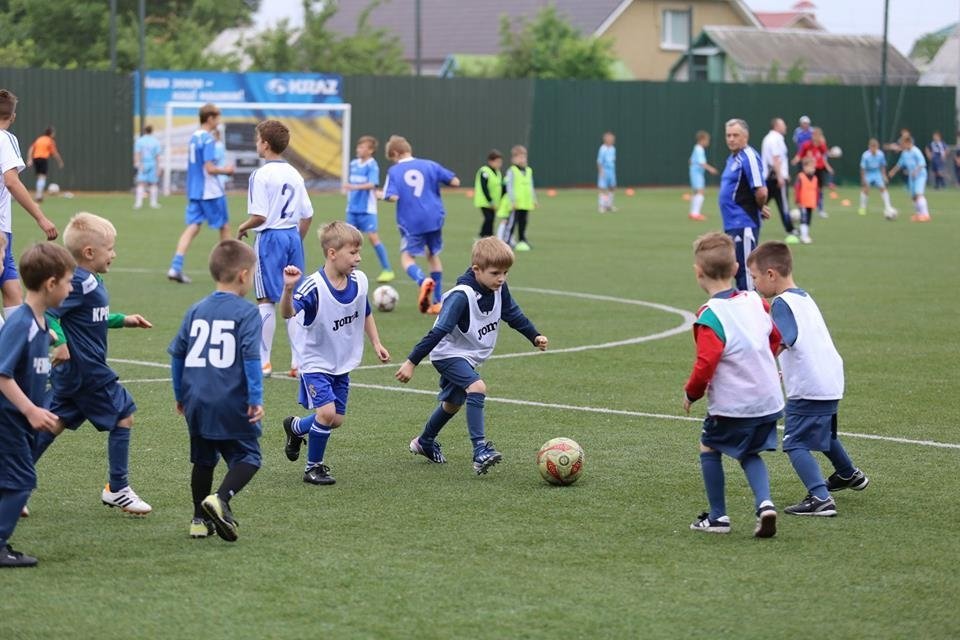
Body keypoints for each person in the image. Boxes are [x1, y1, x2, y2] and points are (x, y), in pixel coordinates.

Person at [33, 212, 153, 515]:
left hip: (75, 375)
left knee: (52, 424)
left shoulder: (90, 280)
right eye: (109, 249)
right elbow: (48, 314)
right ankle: (118, 488)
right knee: (123, 414)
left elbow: (91, 317)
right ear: (89, 253)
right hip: (88, 372)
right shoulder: (79, 283)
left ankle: (11, 480)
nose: (114, 254)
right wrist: (59, 343)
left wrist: (123, 320)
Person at [396, 237, 548, 475]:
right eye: (495, 272)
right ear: (476, 270)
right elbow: (438, 332)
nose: (501, 278)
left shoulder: (497, 288)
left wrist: (534, 335)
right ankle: (480, 450)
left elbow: (513, 314)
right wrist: (411, 362)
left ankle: (424, 441)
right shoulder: (461, 296)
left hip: (468, 355)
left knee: (453, 404)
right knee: (476, 387)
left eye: (506, 273)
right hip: (447, 354)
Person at [747, 241, 869, 517]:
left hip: (810, 386)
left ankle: (820, 497)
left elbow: (780, 341)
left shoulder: (780, 304)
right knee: (824, 433)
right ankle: (848, 474)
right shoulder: (803, 297)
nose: (753, 285)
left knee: (795, 443)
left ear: (770, 274)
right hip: (830, 378)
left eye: (754, 278)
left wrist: (759, 369)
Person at [682, 232, 782, 538]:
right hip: (769, 400)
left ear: (698, 273)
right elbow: (775, 338)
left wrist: (691, 393)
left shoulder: (710, 316)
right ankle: (765, 504)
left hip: (733, 404)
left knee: (709, 445)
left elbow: (706, 363)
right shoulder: (756, 301)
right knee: (750, 452)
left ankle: (717, 517)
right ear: (737, 266)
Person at [279, 221, 390, 486]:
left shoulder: (360, 281)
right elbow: (286, 313)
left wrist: (376, 342)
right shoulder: (312, 287)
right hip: (315, 361)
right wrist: (288, 289)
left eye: (359, 252)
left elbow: (364, 312)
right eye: (352, 253)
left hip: (342, 360)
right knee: (326, 414)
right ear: (332, 253)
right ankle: (312, 468)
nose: (359, 258)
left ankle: (295, 428)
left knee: (335, 420)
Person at [169, 239, 264, 542]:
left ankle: (198, 520)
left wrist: (179, 395)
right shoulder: (248, 313)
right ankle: (220, 499)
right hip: (230, 399)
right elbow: (251, 358)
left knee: (203, 459)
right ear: (243, 275)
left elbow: (177, 355)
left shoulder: (195, 309)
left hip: (195, 398)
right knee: (249, 457)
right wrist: (255, 398)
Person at [0, 242, 74, 567]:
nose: (72, 287)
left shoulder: (42, 324)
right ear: (51, 284)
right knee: (20, 483)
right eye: (69, 281)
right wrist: (30, 409)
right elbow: (2, 375)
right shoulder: (23, 323)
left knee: (9, 481)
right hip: (10, 419)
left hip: (19, 420)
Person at [236, 120, 313, 379]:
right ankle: (298, 364)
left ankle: (264, 363)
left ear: (265, 144)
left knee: (265, 299)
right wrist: (296, 239)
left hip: (270, 238)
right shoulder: (294, 173)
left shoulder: (261, 174)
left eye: (257, 139)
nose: (256, 143)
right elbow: (308, 215)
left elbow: (259, 216)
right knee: (292, 298)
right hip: (292, 236)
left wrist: (242, 227)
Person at [380, 135, 459, 314]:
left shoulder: (394, 171)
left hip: (412, 221)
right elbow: (455, 181)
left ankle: (422, 280)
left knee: (407, 258)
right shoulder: (430, 164)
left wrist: (381, 196)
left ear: (394, 153)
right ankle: (438, 302)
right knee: (433, 255)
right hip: (435, 217)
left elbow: (392, 196)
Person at [0, 89, 59, 329]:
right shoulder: (5, 138)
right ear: (13, 117)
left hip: (4, 230)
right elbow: (12, 181)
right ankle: (9, 350)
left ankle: (16, 351)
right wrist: (41, 218)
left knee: (12, 290)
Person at [167, 103, 235, 284]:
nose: (218, 121)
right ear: (210, 118)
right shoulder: (208, 139)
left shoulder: (194, 137)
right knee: (225, 227)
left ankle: (176, 266)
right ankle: (229, 269)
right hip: (210, 191)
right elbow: (210, 169)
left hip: (195, 190)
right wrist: (226, 171)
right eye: (217, 118)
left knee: (193, 227)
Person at [717, 118, 768, 291]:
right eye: (728, 135)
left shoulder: (749, 156)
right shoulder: (733, 158)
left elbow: (761, 190)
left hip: (743, 223)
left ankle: (751, 315)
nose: (731, 139)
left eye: (735, 135)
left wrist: (759, 207)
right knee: (737, 272)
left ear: (745, 136)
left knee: (746, 273)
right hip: (732, 224)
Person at [344, 135, 393, 283]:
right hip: (352, 208)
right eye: (358, 146)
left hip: (367, 209)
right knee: (349, 241)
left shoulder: (372, 165)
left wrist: (354, 187)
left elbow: (372, 184)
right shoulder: (353, 164)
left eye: (363, 147)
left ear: (370, 150)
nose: (359, 149)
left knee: (373, 237)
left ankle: (387, 270)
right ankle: (351, 271)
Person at [761, 118, 796, 241]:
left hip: (769, 177)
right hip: (775, 178)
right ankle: (791, 229)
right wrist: (781, 176)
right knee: (783, 205)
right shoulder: (775, 139)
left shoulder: (769, 138)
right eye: (783, 124)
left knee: (762, 204)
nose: (785, 126)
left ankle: (752, 224)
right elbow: (776, 159)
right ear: (776, 126)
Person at [497, 145, 537, 251]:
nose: (522, 159)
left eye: (524, 157)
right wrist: (512, 201)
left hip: (526, 203)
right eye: (519, 157)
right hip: (516, 203)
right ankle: (507, 241)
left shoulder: (528, 170)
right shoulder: (512, 171)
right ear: (513, 159)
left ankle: (522, 239)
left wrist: (534, 199)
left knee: (523, 222)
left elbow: (531, 186)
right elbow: (509, 187)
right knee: (511, 223)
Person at [888, 134, 931, 222]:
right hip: (912, 176)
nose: (901, 145)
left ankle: (926, 215)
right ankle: (919, 214)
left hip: (920, 175)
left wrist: (916, 171)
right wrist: (892, 171)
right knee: (913, 197)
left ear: (908, 142)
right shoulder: (904, 153)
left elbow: (922, 163)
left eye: (902, 143)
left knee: (919, 194)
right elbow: (899, 164)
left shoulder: (916, 151)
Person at [792, 127, 833, 218]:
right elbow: (800, 154)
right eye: (815, 135)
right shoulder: (807, 145)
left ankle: (820, 209)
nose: (816, 137)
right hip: (809, 170)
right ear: (812, 135)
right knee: (805, 189)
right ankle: (803, 207)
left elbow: (825, 155)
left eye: (819, 135)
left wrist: (828, 164)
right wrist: (795, 160)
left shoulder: (821, 146)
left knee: (820, 189)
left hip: (819, 169)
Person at [859, 138, 896, 218]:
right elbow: (863, 168)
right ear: (869, 147)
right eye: (872, 147)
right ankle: (863, 207)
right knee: (866, 188)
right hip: (868, 172)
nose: (873, 149)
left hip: (877, 172)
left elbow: (882, 166)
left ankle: (888, 206)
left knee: (882, 188)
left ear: (877, 147)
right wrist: (863, 178)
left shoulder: (880, 154)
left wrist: (884, 176)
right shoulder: (865, 155)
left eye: (875, 147)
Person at [26, 126, 64, 202]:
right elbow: (55, 153)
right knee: (42, 177)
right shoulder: (50, 141)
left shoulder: (39, 139)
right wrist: (60, 161)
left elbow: (31, 148)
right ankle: (39, 195)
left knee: (40, 177)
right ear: (51, 133)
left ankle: (38, 194)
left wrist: (29, 159)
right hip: (43, 159)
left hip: (36, 159)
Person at [688, 130, 718, 221]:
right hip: (697, 173)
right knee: (700, 192)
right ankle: (695, 214)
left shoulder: (696, 148)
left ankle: (693, 213)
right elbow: (702, 163)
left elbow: (690, 161)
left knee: (696, 192)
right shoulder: (699, 149)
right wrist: (711, 169)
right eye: (707, 140)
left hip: (695, 172)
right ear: (702, 140)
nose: (708, 142)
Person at [473, 149, 504, 238]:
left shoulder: (498, 173)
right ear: (490, 161)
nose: (499, 164)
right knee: (488, 218)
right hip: (484, 201)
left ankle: (489, 236)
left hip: (494, 202)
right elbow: (484, 187)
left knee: (491, 219)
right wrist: (490, 201)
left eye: (500, 162)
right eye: (497, 162)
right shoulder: (484, 171)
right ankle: (482, 235)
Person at [133, 124, 162, 210]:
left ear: (144, 131)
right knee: (153, 184)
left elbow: (137, 154)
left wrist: (138, 164)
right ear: (152, 131)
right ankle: (153, 203)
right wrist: (158, 167)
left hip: (143, 163)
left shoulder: (140, 141)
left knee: (141, 183)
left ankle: (138, 203)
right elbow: (157, 156)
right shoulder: (155, 141)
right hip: (152, 163)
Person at [794, 157, 818, 244]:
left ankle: (805, 234)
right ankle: (803, 236)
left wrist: (816, 202)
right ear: (805, 167)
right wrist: (798, 200)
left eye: (814, 167)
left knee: (808, 220)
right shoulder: (800, 177)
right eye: (811, 167)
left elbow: (816, 191)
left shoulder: (815, 178)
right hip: (803, 202)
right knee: (803, 219)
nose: (813, 169)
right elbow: (797, 189)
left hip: (811, 203)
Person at [597, 131, 617, 213]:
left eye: (613, 138)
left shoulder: (613, 149)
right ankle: (602, 206)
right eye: (610, 138)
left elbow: (613, 159)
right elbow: (599, 161)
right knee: (603, 188)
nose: (612, 140)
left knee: (612, 187)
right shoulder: (602, 149)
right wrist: (601, 171)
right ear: (606, 139)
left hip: (611, 171)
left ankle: (609, 205)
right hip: (604, 171)